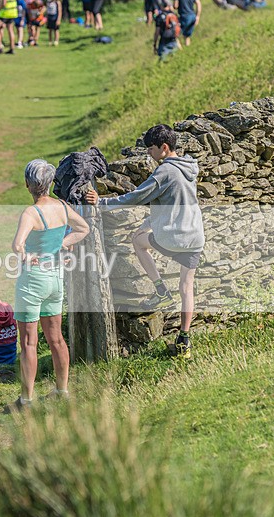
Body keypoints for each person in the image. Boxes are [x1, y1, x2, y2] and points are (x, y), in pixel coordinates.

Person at [86, 125, 204, 358]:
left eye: (151, 148)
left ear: (164, 147)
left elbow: (136, 197)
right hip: (195, 236)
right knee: (186, 288)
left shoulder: (165, 172)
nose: (148, 153)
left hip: (175, 237)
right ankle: (184, 341)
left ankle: (160, 289)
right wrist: (150, 221)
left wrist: (101, 202)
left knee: (137, 240)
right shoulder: (189, 166)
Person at [9, 159, 90, 411]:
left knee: (28, 343)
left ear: (28, 184)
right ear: (50, 182)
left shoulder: (30, 213)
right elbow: (83, 228)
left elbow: (17, 245)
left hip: (33, 280)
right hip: (56, 279)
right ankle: (62, 391)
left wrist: (26, 256)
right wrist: (64, 243)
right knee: (56, 339)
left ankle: (26, 400)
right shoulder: (63, 207)